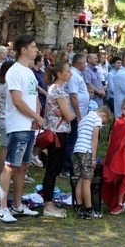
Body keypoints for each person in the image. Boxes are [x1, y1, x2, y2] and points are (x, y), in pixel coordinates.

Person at [0, 34, 43, 224]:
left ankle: (17, 205)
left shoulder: (29, 72)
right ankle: (2, 208)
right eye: (33, 47)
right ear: (23, 50)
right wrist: (35, 116)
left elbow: (34, 97)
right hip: (17, 126)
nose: (36, 50)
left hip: (30, 126)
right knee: (11, 166)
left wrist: (38, 117)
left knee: (23, 166)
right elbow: (17, 101)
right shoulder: (14, 71)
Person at [40, 60, 75, 218]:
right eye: (68, 71)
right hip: (57, 134)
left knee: (52, 169)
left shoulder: (53, 89)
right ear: (60, 74)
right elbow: (68, 115)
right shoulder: (59, 91)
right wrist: (73, 114)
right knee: (53, 170)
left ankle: (49, 202)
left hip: (54, 132)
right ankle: (48, 205)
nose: (70, 74)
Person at [73, 102, 110, 219]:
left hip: (77, 150)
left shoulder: (84, 119)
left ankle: (79, 208)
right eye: (104, 122)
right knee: (87, 180)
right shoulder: (96, 119)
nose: (102, 124)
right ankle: (89, 209)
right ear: (103, 115)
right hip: (86, 151)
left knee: (80, 178)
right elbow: (94, 138)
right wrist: (93, 157)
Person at [0, 61, 14, 183]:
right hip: (4, 118)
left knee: (5, 147)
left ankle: (1, 174)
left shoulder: (3, 84)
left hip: (2, 117)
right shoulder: (8, 86)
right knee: (4, 148)